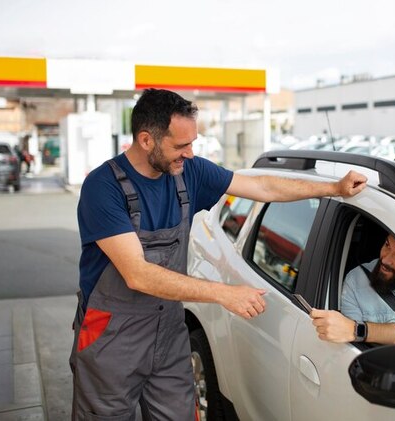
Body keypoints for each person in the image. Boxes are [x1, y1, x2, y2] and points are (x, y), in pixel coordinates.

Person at [70, 88, 367, 420]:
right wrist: (224, 293)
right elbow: (137, 274)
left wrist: (333, 188)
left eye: (193, 143)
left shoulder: (188, 172)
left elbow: (262, 187)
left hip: (168, 331)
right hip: (110, 335)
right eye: (180, 146)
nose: (190, 153)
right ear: (146, 140)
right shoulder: (103, 187)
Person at [310, 234, 395, 349]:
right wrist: (354, 331)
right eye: (387, 245)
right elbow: (351, 342)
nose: (385, 260)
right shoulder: (356, 280)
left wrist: (359, 330)